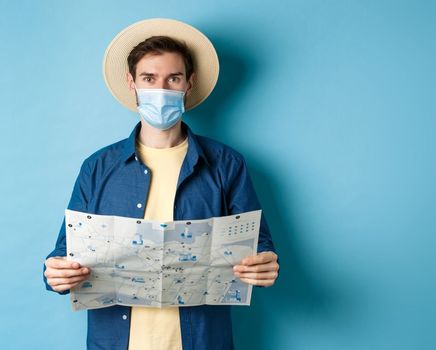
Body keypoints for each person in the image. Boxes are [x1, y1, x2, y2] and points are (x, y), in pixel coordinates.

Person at [41, 18, 279, 350]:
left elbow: (259, 245)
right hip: (115, 341)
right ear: (132, 82)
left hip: (203, 340)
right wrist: (56, 274)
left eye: (173, 79)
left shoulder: (228, 164)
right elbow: (64, 253)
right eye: (149, 79)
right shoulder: (98, 167)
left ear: (189, 83)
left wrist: (265, 263)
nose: (162, 90)